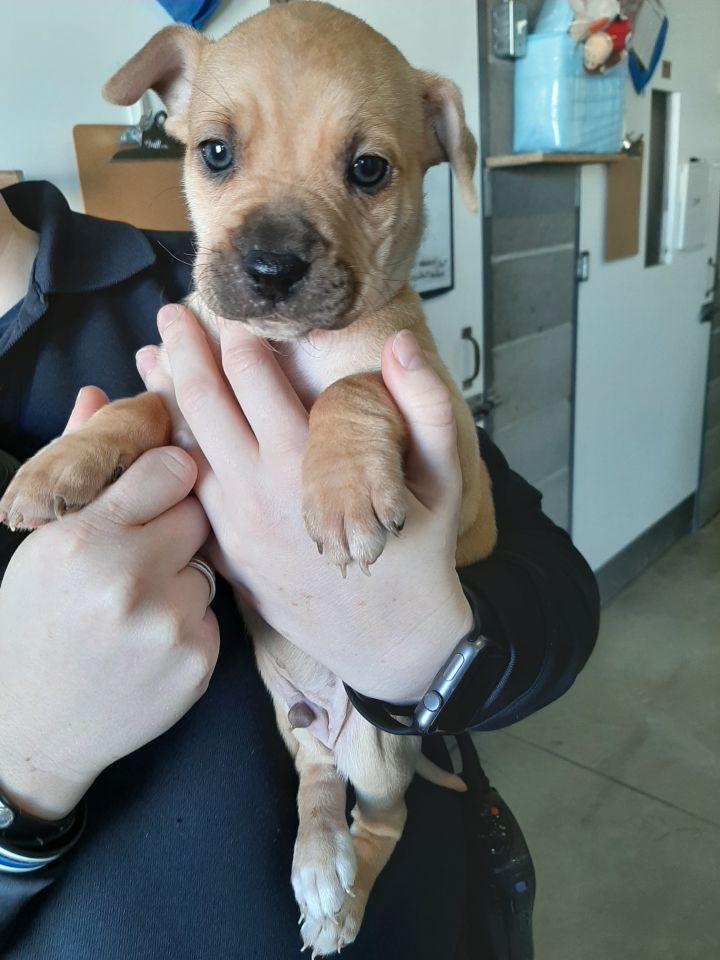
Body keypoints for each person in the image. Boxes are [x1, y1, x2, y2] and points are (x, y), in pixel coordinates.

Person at [0, 180, 599, 959]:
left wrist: (428, 651)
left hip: (426, 921)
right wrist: (23, 756)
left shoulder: (225, 273)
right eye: (223, 154)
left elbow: (557, 585)